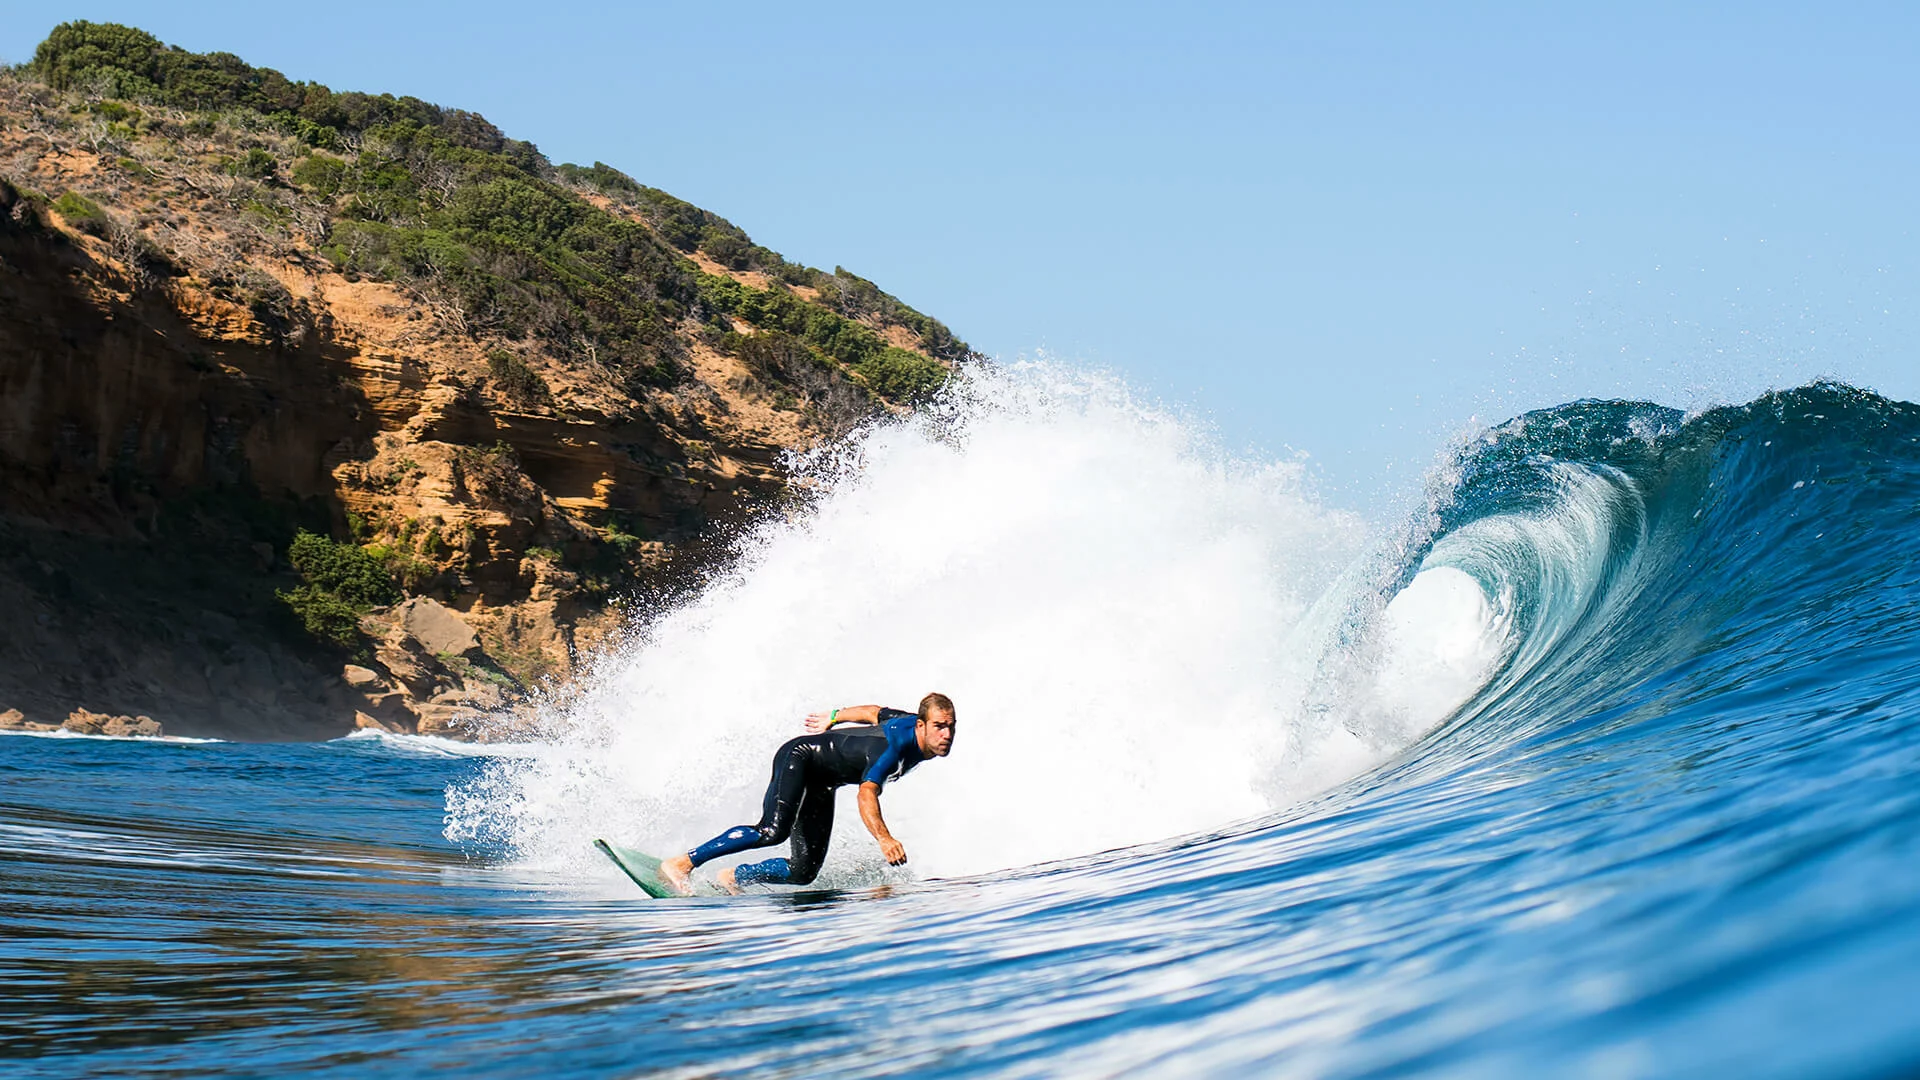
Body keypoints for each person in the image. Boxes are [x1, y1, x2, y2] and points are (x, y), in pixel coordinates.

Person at [658, 692, 958, 894]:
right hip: (801, 757)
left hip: (823, 782)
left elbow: (873, 712)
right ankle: (682, 863)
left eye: (950, 727)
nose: (946, 735)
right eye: (939, 727)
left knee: (804, 872)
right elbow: (866, 793)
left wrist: (835, 715)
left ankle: (734, 877)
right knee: (772, 831)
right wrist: (885, 838)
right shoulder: (894, 751)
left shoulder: (909, 723)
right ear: (921, 724)